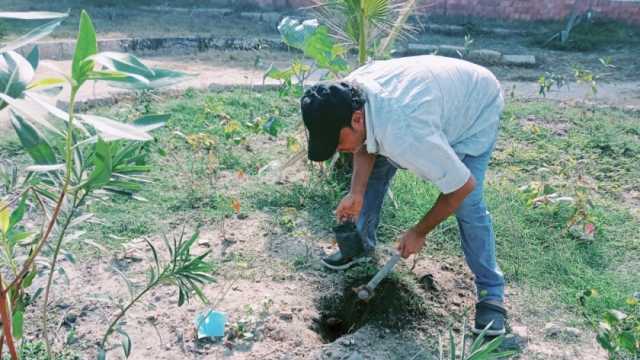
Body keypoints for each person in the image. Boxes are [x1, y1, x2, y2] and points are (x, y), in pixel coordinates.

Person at [299, 55, 507, 335]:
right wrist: (356, 193)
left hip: (476, 103)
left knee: (469, 204)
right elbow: (365, 144)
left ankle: (491, 292)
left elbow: (462, 186)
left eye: (337, 142)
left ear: (357, 119)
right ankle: (361, 245)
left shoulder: (406, 134)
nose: (338, 150)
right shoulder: (351, 93)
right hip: (429, 94)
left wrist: (419, 231)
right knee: (372, 165)